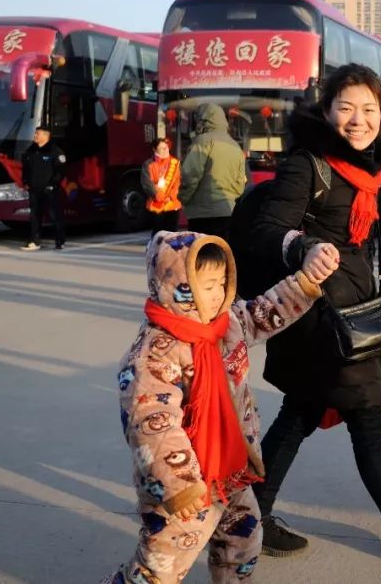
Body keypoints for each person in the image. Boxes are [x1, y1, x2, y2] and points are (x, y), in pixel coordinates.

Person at [248, 64, 381, 561]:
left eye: (368, 109)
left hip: (351, 308)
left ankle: (251, 514)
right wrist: (301, 244)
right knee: (368, 416)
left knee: (299, 412)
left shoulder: (369, 168)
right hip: (320, 317)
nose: (358, 119)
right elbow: (266, 229)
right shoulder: (309, 163)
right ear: (326, 112)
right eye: (345, 108)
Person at [108, 232, 321, 583]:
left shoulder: (226, 324)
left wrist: (307, 281)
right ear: (176, 284)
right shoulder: (154, 354)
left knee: (242, 542)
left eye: (222, 283)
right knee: (159, 569)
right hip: (183, 485)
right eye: (205, 286)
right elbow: (152, 424)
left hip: (229, 467)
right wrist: (181, 485)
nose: (218, 294)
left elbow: (263, 312)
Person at [179, 103, 247, 239]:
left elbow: (190, 175)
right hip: (229, 211)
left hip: (203, 214)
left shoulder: (202, 141)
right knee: (222, 255)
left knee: (203, 256)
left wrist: (183, 198)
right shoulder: (235, 145)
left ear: (203, 121)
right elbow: (240, 183)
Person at [20, 126, 66, 251]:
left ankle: (60, 240)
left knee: (54, 215)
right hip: (34, 189)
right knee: (34, 215)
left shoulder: (55, 151)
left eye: (37, 134)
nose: (35, 136)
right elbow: (25, 168)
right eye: (35, 133)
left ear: (46, 136)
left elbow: (60, 171)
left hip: (49, 189)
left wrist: (53, 184)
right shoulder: (31, 150)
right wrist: (25, 181)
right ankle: (34, 241)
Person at [141, 138, 182, 236]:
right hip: (156, 205)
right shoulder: (148, 164)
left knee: (172, 235)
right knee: (158, 234)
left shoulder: (175, 163)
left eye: (166, 148)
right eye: (162, 148)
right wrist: (159, 195)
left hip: (172, 204)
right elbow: (147, 183)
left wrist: (172, 195)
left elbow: (178, 181)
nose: (165, 150)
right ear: (154, 150)